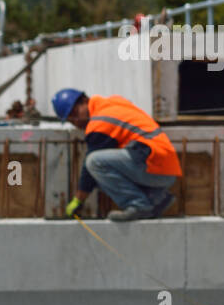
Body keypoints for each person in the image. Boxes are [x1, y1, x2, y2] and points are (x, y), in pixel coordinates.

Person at [52, 88, 181, 222]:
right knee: (104, 176)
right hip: (164, 167)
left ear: (84, 101)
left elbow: (88, 170)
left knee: (94, 163)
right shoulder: (113, 103)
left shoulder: (100, 122)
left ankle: (138, 205)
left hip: (153, 165)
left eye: (75, 113)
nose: (76, 121)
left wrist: (77, 200)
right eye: (71, 120)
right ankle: (157, 198)